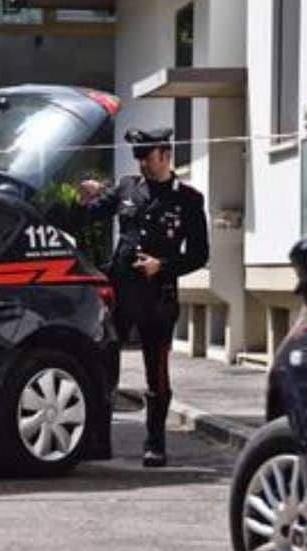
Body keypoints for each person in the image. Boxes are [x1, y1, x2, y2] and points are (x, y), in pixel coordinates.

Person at [74, 127, 209, 467]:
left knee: (157, 373)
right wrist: (82, 199)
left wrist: (162, 265)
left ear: (164, 154)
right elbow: (89, 216)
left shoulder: (188, 200)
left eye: (146, 157)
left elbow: (199, 255)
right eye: (138, 157)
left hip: (157, 297)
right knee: (105, 368)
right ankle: (98, 441)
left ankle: (155, 443)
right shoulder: (126, 187)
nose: (142, 164)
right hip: (119, 292)